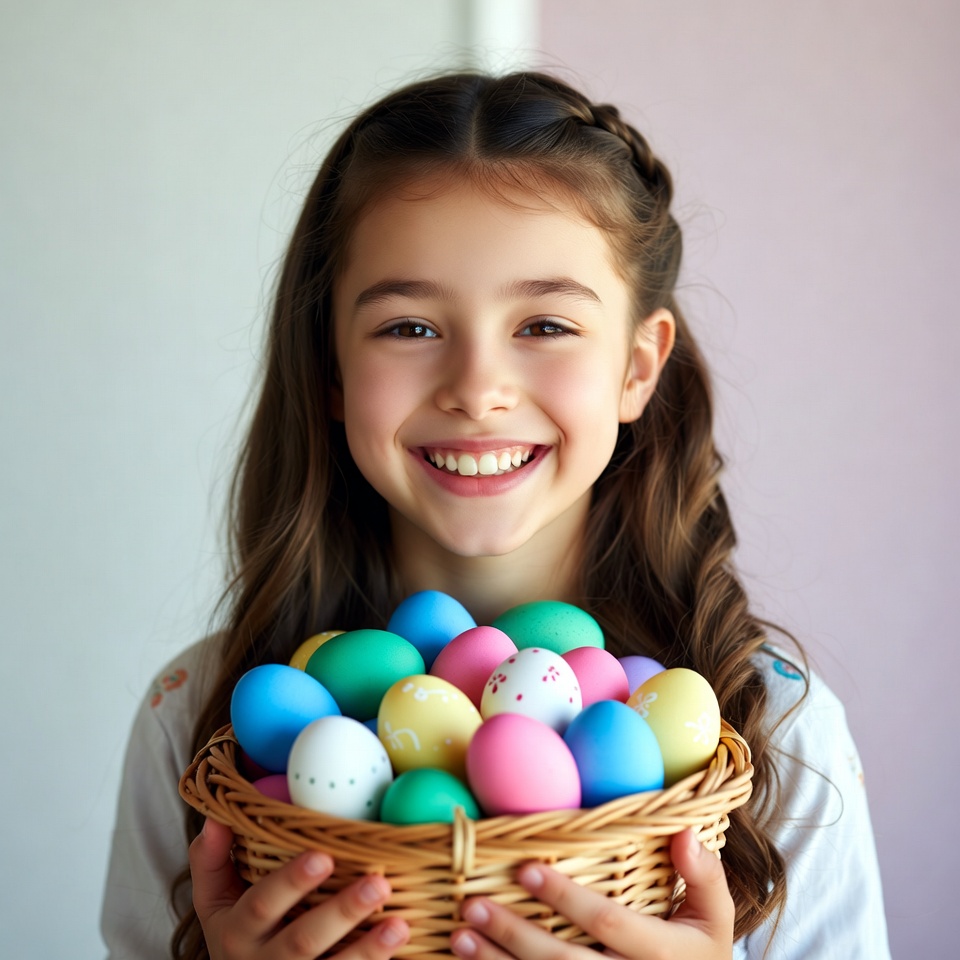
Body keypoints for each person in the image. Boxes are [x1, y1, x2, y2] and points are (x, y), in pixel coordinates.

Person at [101, 70, 890, 960]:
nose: (478, 390)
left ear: (637, 367)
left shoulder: (772, 727)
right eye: (409, 327)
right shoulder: (195, 723)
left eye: (545, 325)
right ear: (327, 366)